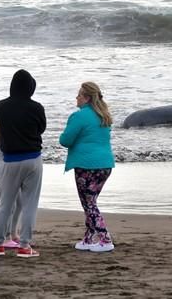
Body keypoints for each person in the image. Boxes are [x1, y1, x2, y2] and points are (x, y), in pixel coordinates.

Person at [0, 69, 46, 258]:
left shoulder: (1, 106)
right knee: (30, 204)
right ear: (31, 87)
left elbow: (2, 126)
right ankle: (24, 246)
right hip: (32, 158)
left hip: (9, 160)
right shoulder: (37, 107)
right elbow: (41, 128)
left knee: (5, 205)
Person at [59, 82, 116, 253]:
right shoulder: (103, 115)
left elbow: (65, 140)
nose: (76, 98)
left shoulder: (79, 116)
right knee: (89, 202)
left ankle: (105, 238)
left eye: (79, 95)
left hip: (87, 166)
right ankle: (89, 238)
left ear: (87, 98)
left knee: (89, 204)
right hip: (105, 165)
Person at [0, 125, 22, 249]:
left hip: (8, 172)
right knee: (10, 206)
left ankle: (13, 234)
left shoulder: (1, 134)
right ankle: (6, 237)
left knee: (20, 203)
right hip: (5, 173)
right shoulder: (3, 137)